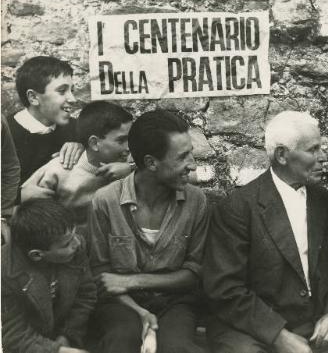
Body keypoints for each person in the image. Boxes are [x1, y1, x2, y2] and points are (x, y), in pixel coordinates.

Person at [204, 111, 328, 353]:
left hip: (315, 326)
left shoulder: (325, 202)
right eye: (313, 150)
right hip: (253, 331)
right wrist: (278, 336)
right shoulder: (238, 208)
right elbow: (226, 289)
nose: (324, 158)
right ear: (282, 155)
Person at [88, 109, 210, 353]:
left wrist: (132, 280)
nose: (192, 165)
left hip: (176, 303)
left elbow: (194, 274)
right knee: (120, 341)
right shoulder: (105, 201)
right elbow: (103, 278)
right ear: (151, 163)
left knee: (178, 347)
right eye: (182, 157)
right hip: (121, 304)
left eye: (191, 154)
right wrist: (139, 312)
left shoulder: (196, 201)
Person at [1, 200, 96, 353]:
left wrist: (67, 337)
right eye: (66, 244)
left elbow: (85, 297)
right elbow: (12, 332)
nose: (77, 243)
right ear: (37, 255)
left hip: (65, 335)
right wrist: (56, 350)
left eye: (75, 234)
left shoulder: (75, 248)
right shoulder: (4, 273)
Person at [21, 101, 134, 225]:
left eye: (130, 138)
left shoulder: (129, 164)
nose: (129, 147)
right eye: (121, 140)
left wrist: (131, 168)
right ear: (94, 143)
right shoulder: (59, 169)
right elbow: (33, 214)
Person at [7, 56, 84, 187]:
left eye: (72, 91)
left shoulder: (78, 129)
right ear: (33, 97)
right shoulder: (6, 133)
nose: (72, 98)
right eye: (62, 91)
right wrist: (20, 197)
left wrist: (82, 149)